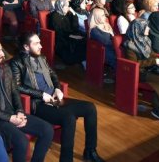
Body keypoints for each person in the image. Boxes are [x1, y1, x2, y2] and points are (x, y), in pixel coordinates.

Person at [11, 32, 104, 162]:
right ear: (26, 47)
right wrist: (41, 95)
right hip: (38, 104)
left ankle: (90, 151)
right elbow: (17, 86)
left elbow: (53, 75)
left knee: (90, 108)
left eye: (40, 42)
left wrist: (57, 89)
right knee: (68, 117)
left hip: (54, 99)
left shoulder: (41, 58)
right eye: (36, 43)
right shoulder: (16, 62)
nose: (41, 46)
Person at [0, 37, 53, 162]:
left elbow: (15, 91)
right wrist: (10, 118)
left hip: (14, 114)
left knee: (47, 130)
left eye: (1, 50)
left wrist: (20, 110)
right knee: (22, 142)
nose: (2, 53)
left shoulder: (5, 68)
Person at [51, 0, 87, 66]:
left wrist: (74, 14)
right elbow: (59, 32)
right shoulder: (54, 16)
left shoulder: (67, 14)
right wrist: (73, 36)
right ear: (61, 6)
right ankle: (82, 61)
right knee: (79, 42)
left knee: (84, 38)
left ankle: (83, 60)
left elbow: (75, 27)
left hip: (69, 35)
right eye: (66, 6)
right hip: (61, 39)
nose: (68, 8)